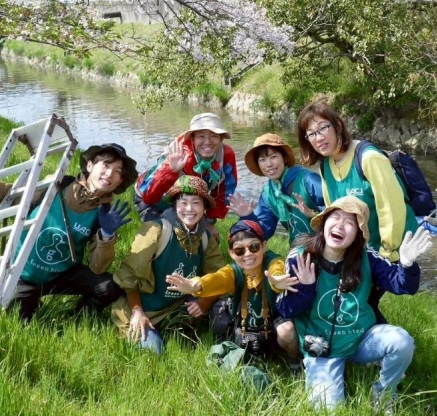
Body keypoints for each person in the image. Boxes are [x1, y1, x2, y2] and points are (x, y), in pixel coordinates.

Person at [276, 196, 431, 413]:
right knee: (328, 411)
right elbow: (285, 309)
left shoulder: (367, 258)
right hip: (322, 347)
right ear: (324, 223)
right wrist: (306, 287)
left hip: (359, 339)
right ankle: (322, 371)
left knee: (401, 341)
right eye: (335, 217)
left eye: (349, 223)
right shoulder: (302, 256)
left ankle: (384, 394)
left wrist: (407, 264)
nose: (340, 225)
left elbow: (403, 286)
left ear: (358, 235)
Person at [0, 143, 138, 322]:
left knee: (109, 286)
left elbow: (98, 267)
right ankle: (30, 298)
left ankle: (77, 320)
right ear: (89, 166)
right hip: (23, 274)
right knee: (19, 319)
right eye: (105, 165)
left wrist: (107, 234)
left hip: (62, 275)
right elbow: (17, 196)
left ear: (120, 181)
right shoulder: (58, 184)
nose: (110, 174)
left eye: (118, 171)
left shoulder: (105, 215)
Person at [165, 219, 302, 373]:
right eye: (239, 250)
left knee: (287, 331)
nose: (248, 254)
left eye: (254, 247)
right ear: (231, 253)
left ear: (264, 246)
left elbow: (276, 269)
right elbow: (219, 278)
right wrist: (196, 285)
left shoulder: (272, 261)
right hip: (244, 329)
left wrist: (276, 280)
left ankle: (294, 362)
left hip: (273, 326)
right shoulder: (233, 272)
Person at [111, 176, 225, 354]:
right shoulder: (155, 230)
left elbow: (220, 276)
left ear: (204, 209)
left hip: (175, 306)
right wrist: (137, 311)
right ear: (174, 206)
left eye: (196, 203)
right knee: (154, 351)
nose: (189, 209)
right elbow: (129, 276)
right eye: (183, 203)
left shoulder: (204, 238)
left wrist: (205, 301)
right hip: (142, 307)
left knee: (225, 302)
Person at [297, 102, 417, 262]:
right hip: (362, 251)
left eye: (323, 128)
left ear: (338, 125)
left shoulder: (368, 158)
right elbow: (332, 210)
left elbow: (391, 208)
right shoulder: (325, 166)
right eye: (311, 134)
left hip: (398, 249)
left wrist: (388, 253)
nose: (318, 138)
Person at [134, 112, 237, 240]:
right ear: (192, 138)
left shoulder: (226, 155)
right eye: (201, 136)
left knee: (204, 237)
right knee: (162, 237)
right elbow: (149, 196)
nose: (207, 142)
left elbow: (225, 191)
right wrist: (171, 171)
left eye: (214, 136)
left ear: (221, 139)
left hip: (185, 201)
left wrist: (210, 221)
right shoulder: (178, 153)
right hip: (151, 198)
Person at [229, 133, 324, 246]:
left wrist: (313, 215)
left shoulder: (307, 180)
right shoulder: (269, 192)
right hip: (298, 249)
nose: (268, 164)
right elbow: (264, 231)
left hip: (326, 245)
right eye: (262, 160)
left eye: (273, 157)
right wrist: (247, 216)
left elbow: (336, 211)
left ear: (284, 158)